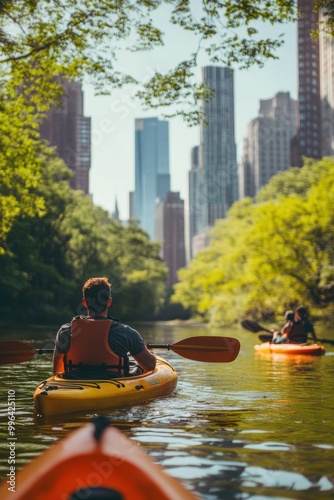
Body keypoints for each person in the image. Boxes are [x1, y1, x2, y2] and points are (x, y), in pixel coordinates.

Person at [52, 277, 156, 379]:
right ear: (109, 302)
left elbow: (58, 369)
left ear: (84, 302)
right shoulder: (126, 333)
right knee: (135, 366)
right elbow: (150, 365)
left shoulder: (65, 332)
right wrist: (149, 350)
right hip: (114, 385)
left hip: (74, 382)